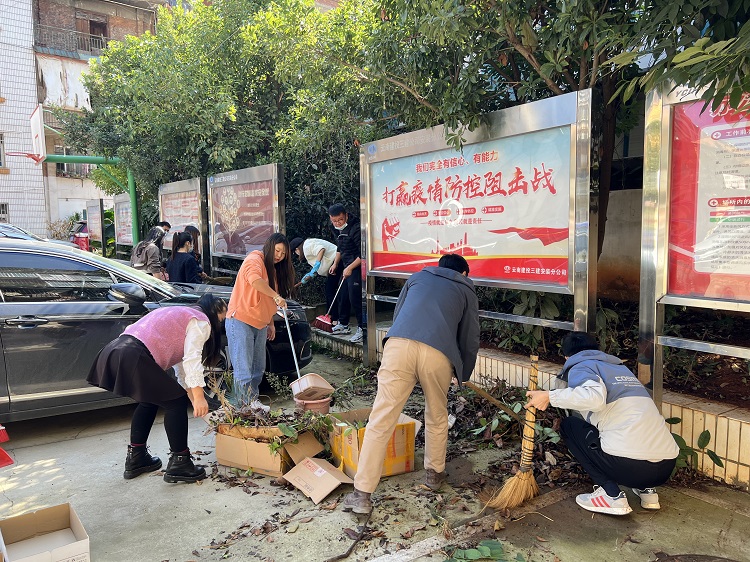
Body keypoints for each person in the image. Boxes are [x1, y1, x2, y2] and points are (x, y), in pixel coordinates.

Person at [342, 254, 480, 515]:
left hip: (399, 345)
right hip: (438, 353)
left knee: (381, 418)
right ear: (463, 273)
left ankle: (361, 494)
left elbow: (399, 314)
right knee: (437, 415)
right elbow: (469, 337)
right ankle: (434, 474)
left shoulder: (417, 278)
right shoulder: (465, 289)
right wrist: (464, 373)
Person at [525, 332, 679, 516]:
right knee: (624, 428)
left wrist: (550, 396)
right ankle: (648, 492)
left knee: (570, 426)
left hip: (630, 468)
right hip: (665, 468)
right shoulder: (620, 370)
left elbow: (594, 398)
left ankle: (611, 495)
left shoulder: (581, 366)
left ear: (566, 357)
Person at [87, 294, 227, 483]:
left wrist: (194, 397)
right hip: (133, 353)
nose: (220, 325)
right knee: (176, 402)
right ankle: (181, 462)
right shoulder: (201, 321)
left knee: (149, 401)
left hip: (116, 350)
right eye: (221, 320)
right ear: (214, 312)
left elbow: (182, 366)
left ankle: (137, 458)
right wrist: (199, 397)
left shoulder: (180, 314)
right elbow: (192, 359)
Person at [225, 233, 294, 412]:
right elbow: (255, 281)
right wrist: (276, 296)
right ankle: (243, 407)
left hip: (261, 323)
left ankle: (252, 402)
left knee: (258, 368)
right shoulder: (254, 259)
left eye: (283, 254)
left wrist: (270, 323)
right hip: (240, 320)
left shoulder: (274, 270)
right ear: (269, 247)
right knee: (243, 368)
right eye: (277, 251)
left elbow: (266, 300)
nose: (279, 256)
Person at [328, 204, 364, 343]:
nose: (338, 223)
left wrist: (350, 267)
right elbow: (340, 246)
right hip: (346, 265)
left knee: (355, 297)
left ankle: (362, 328)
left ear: (346, 216)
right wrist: (335, 264)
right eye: (334, 221)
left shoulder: (356, 228)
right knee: (342, 294)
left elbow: (363, 253)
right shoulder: (336, 228)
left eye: (340, 220)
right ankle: (343, 324)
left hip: (357, 265)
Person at [289, 236, 341, 319]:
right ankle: (330, 316)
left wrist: (316, 265)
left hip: (336, 261)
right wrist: (310, 275)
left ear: (297, 249)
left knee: (330, 290)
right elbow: (318, 268)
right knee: (329, 290)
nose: (296, 253)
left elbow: (321, 250)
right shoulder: (308, 246)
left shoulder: (307, 245)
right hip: (333, 263)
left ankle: (334, 318)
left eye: (295, 252)